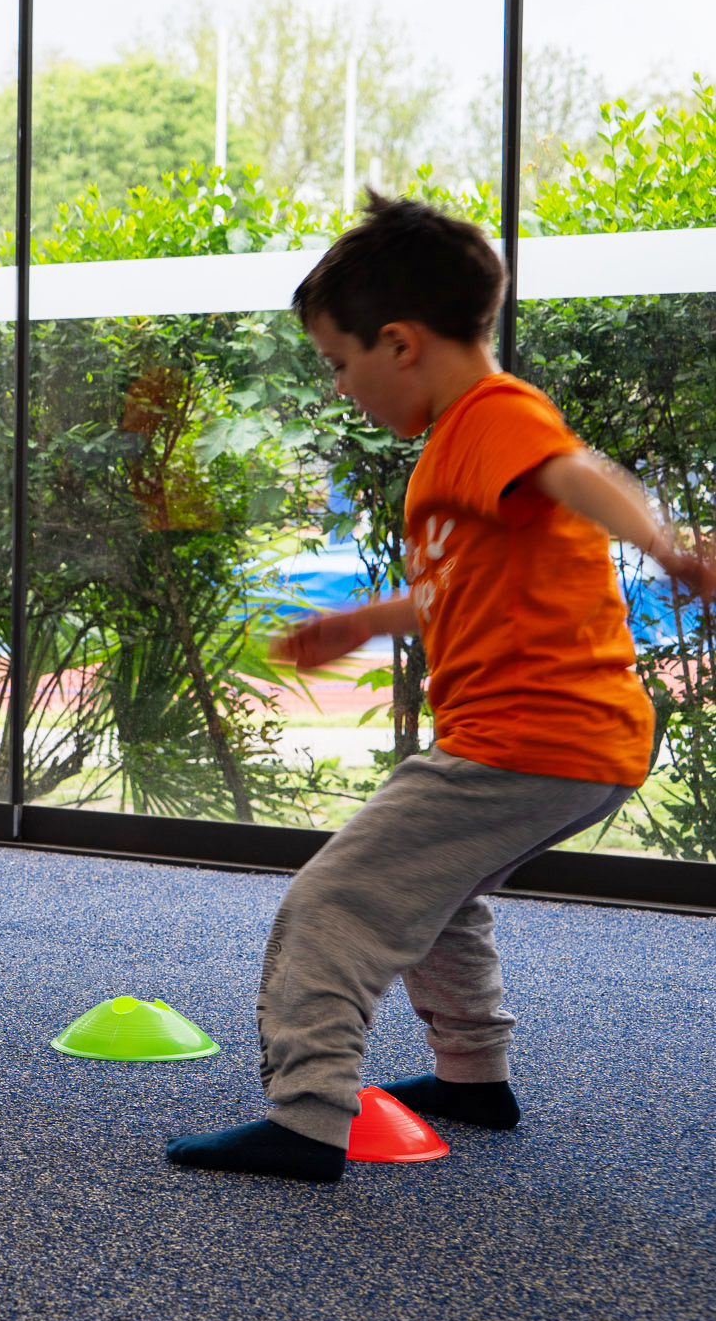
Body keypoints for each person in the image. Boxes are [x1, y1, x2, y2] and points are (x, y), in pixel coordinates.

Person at [168, 194, 714, 1183]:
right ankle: (472, 1074)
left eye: (340, 363)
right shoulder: (462, 446)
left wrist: (666, 546)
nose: (341, 387)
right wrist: (363, 621)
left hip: (528, 734)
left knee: (335, 901)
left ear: (401, 342)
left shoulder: (495, 417)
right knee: (440, 894)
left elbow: (577, 473)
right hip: (568, 740)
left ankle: (306, 1115)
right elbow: (458, 586)